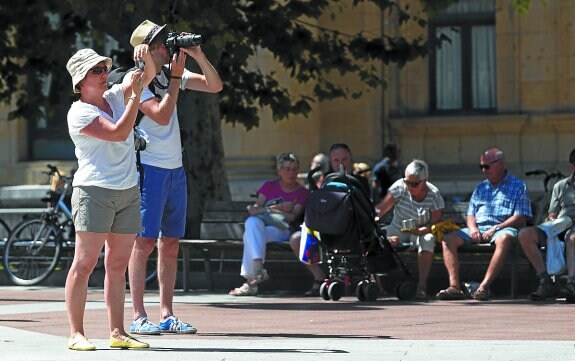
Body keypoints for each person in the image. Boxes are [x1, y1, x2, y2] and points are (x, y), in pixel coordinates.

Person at [127, 20, 223, 335]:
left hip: (175, 169)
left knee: (170, 243)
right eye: (156, 44)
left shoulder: (172, 73)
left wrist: (198, 54)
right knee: (143, 244)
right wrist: (177, 78)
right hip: (149, 169)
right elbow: (163, 114)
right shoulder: (135, 80)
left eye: (164, 42)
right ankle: (139, 315)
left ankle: (167, 314)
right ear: (144, 50)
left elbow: (214, 85)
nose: (165, 48)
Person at [65, 46, 155, 350]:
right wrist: (133, 96)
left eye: (104, 69)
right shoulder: (80, 112)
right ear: (80, 82)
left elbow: (147, 76)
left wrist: (144, 57)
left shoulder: (115, 95)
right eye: (96, 71)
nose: (104, 74)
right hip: (94, 191)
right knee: (85, 263)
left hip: (127, 190)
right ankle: (76, 333)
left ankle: (117, 332)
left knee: (117, 265)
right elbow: (118, 132)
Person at [436, 148, 532, 301]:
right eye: (481, 167)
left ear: (500, 164)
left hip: (503, 228)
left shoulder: (518, 186)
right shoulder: (481, 188)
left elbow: (520, 217)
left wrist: (496, 228)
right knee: (448, 239)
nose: (483, 170)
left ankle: (483, 287)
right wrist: (473, 228)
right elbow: (470, 214)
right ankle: (455, 287)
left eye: (487, 166)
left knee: (504, 239)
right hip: (479, 228)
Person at [230, 152, 310, 296]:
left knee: (250, 233)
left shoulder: (302, 192)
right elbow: (254, 210)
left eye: (294, 169)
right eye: (287, 169)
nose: (291, 173)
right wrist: (277, 208)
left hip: (284, 231)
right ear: (279, 171)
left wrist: (267, 211)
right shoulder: (269, 186)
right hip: (263, 228)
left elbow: (292, 217)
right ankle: (258, 270)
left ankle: (251, 280)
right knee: (252, 223)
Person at [374, 159, 444, 300]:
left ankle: (421, 286)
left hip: (419, 231)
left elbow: (435, 223)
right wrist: (373, 222)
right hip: (398, 228)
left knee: (428, 240)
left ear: (425, 180)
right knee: (374, 239)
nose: (409, 186)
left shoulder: (433, 194)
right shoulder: (400, 187)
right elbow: (380, 210)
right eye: (407, 181)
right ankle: (376, 285)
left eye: (414, 183)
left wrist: (422, 230)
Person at [518, 149, 575, 302]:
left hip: (573, 230)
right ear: (572, 167)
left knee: (573, 237)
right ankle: (546, 281)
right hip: (559, 225)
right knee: (525, 234)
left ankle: (572, 285)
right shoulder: (561, 186)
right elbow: (553, 213)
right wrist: (551, 221)